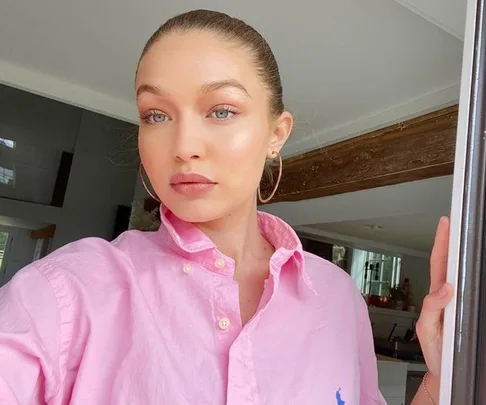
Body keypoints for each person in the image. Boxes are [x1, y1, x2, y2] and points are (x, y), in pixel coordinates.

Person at [0, 9, 453, 405]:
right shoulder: (59, 295)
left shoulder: (338, 298)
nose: (184, 146)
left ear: (277, 133)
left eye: (221, 111)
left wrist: (438, 376)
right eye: (156, 115)